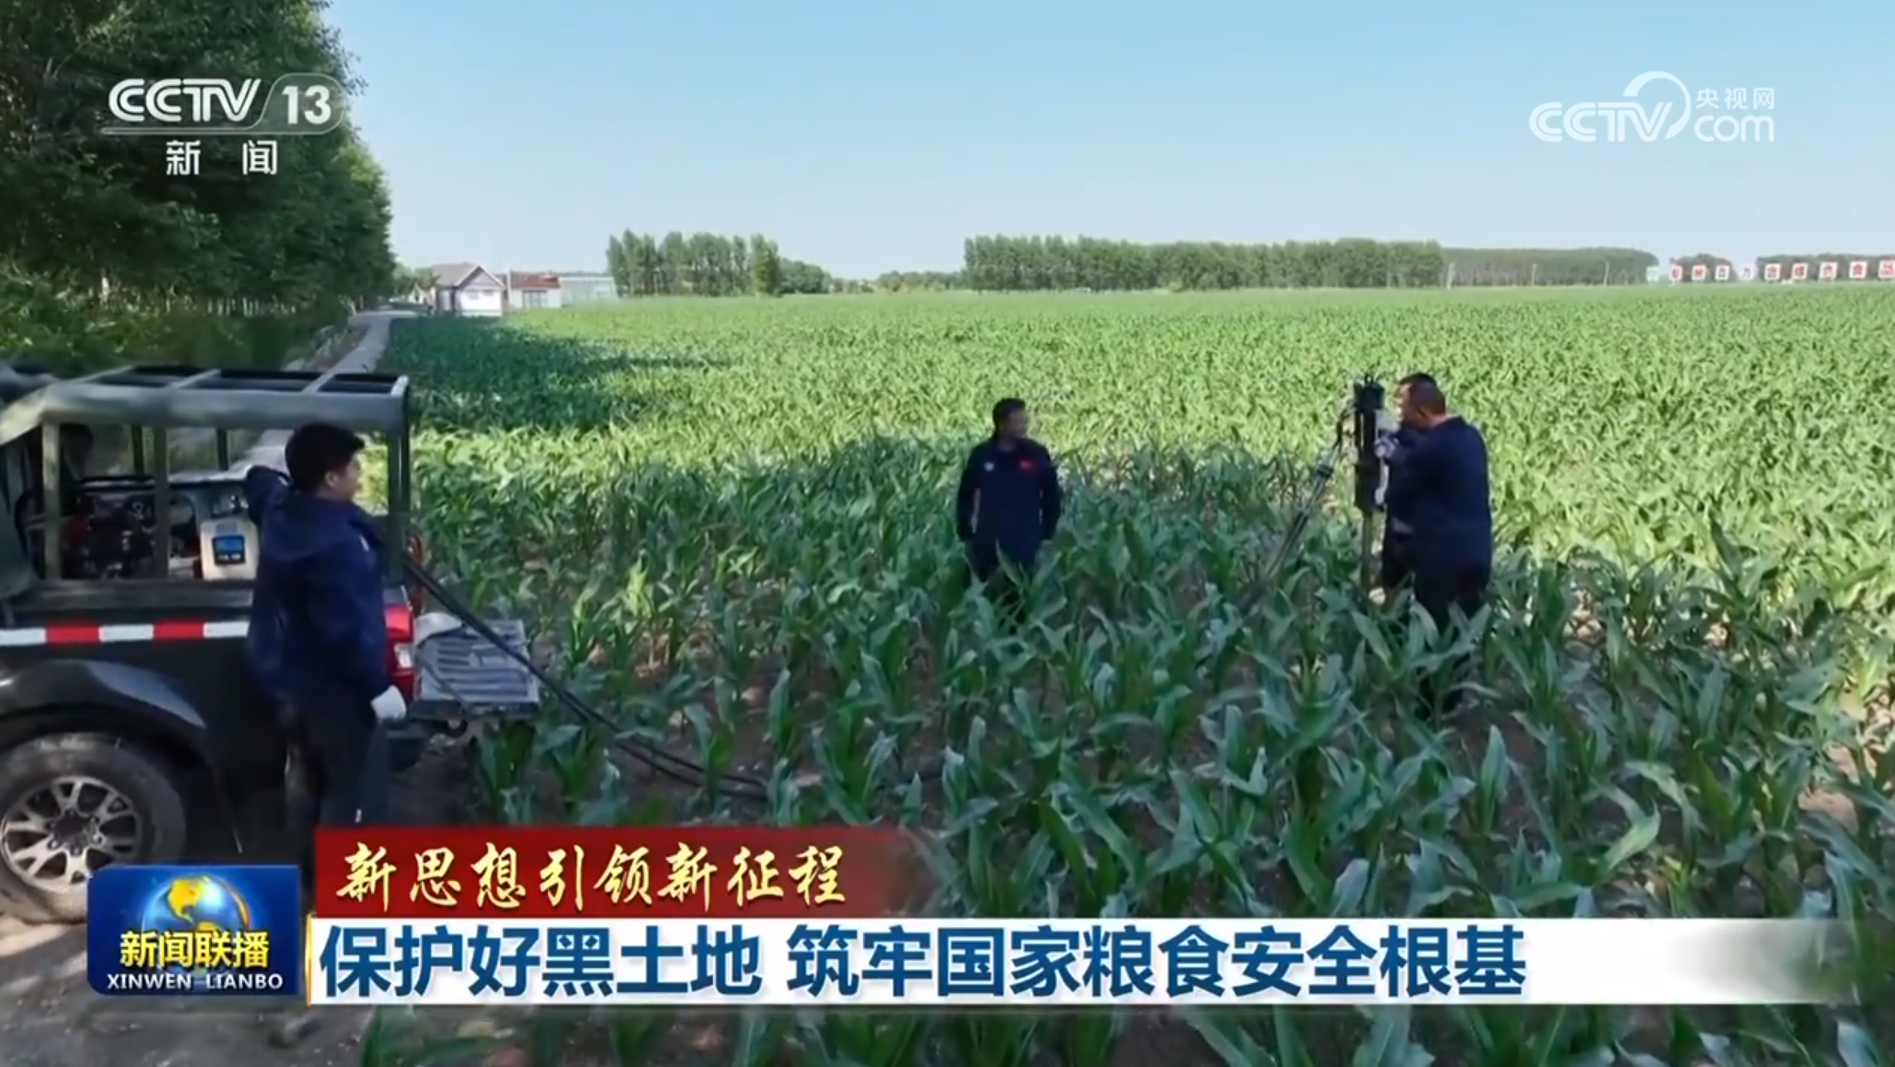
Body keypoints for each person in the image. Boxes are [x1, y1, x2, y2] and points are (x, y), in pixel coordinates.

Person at [243, 423, 405, 895]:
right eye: (352, 468)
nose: (359, 475)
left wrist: (285, 475)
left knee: (305, 778)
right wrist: (377, 688)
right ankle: (341, 888)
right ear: (331, 480)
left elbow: (257, 479)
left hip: (286, 682)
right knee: (346, 792)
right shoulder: (337, 547)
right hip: (335, 694)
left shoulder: (281, 509)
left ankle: (308, 873)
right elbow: (343, 631)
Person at [1382, 376, 1492, 718]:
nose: (1401, 415)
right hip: (1478, 552)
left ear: (1422, 411)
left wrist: (1388, 457)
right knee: (1462, 628)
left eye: (1404, 408)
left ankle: (1430, 709)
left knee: (1433, 627)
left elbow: (1396, 494)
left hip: (1442, 557)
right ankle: (1454, 699)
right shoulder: (1471, 437)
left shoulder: (1431, 448)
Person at [955, 398, 1062, 626]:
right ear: (1001, 425)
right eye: (1018, 422)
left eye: (1025, 421)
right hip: (987, 542)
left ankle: (1018, 640)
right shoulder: (982, 455)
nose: (1024, 426)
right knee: (985, 602)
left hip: (1024, 542)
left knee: (1019, 602)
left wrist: (1048, 532)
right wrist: (965, 531)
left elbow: (1052, 495)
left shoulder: (1036, 454)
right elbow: (965, 494)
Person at [1376, 374, 1435, 591]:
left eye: (1404, 399)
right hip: (1396, 529)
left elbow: (1422, 462)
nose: (1400, 405)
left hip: (1424, 535)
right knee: (1393, 588)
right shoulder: (1405, 431)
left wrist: (1395, 447)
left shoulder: (1439, 437)